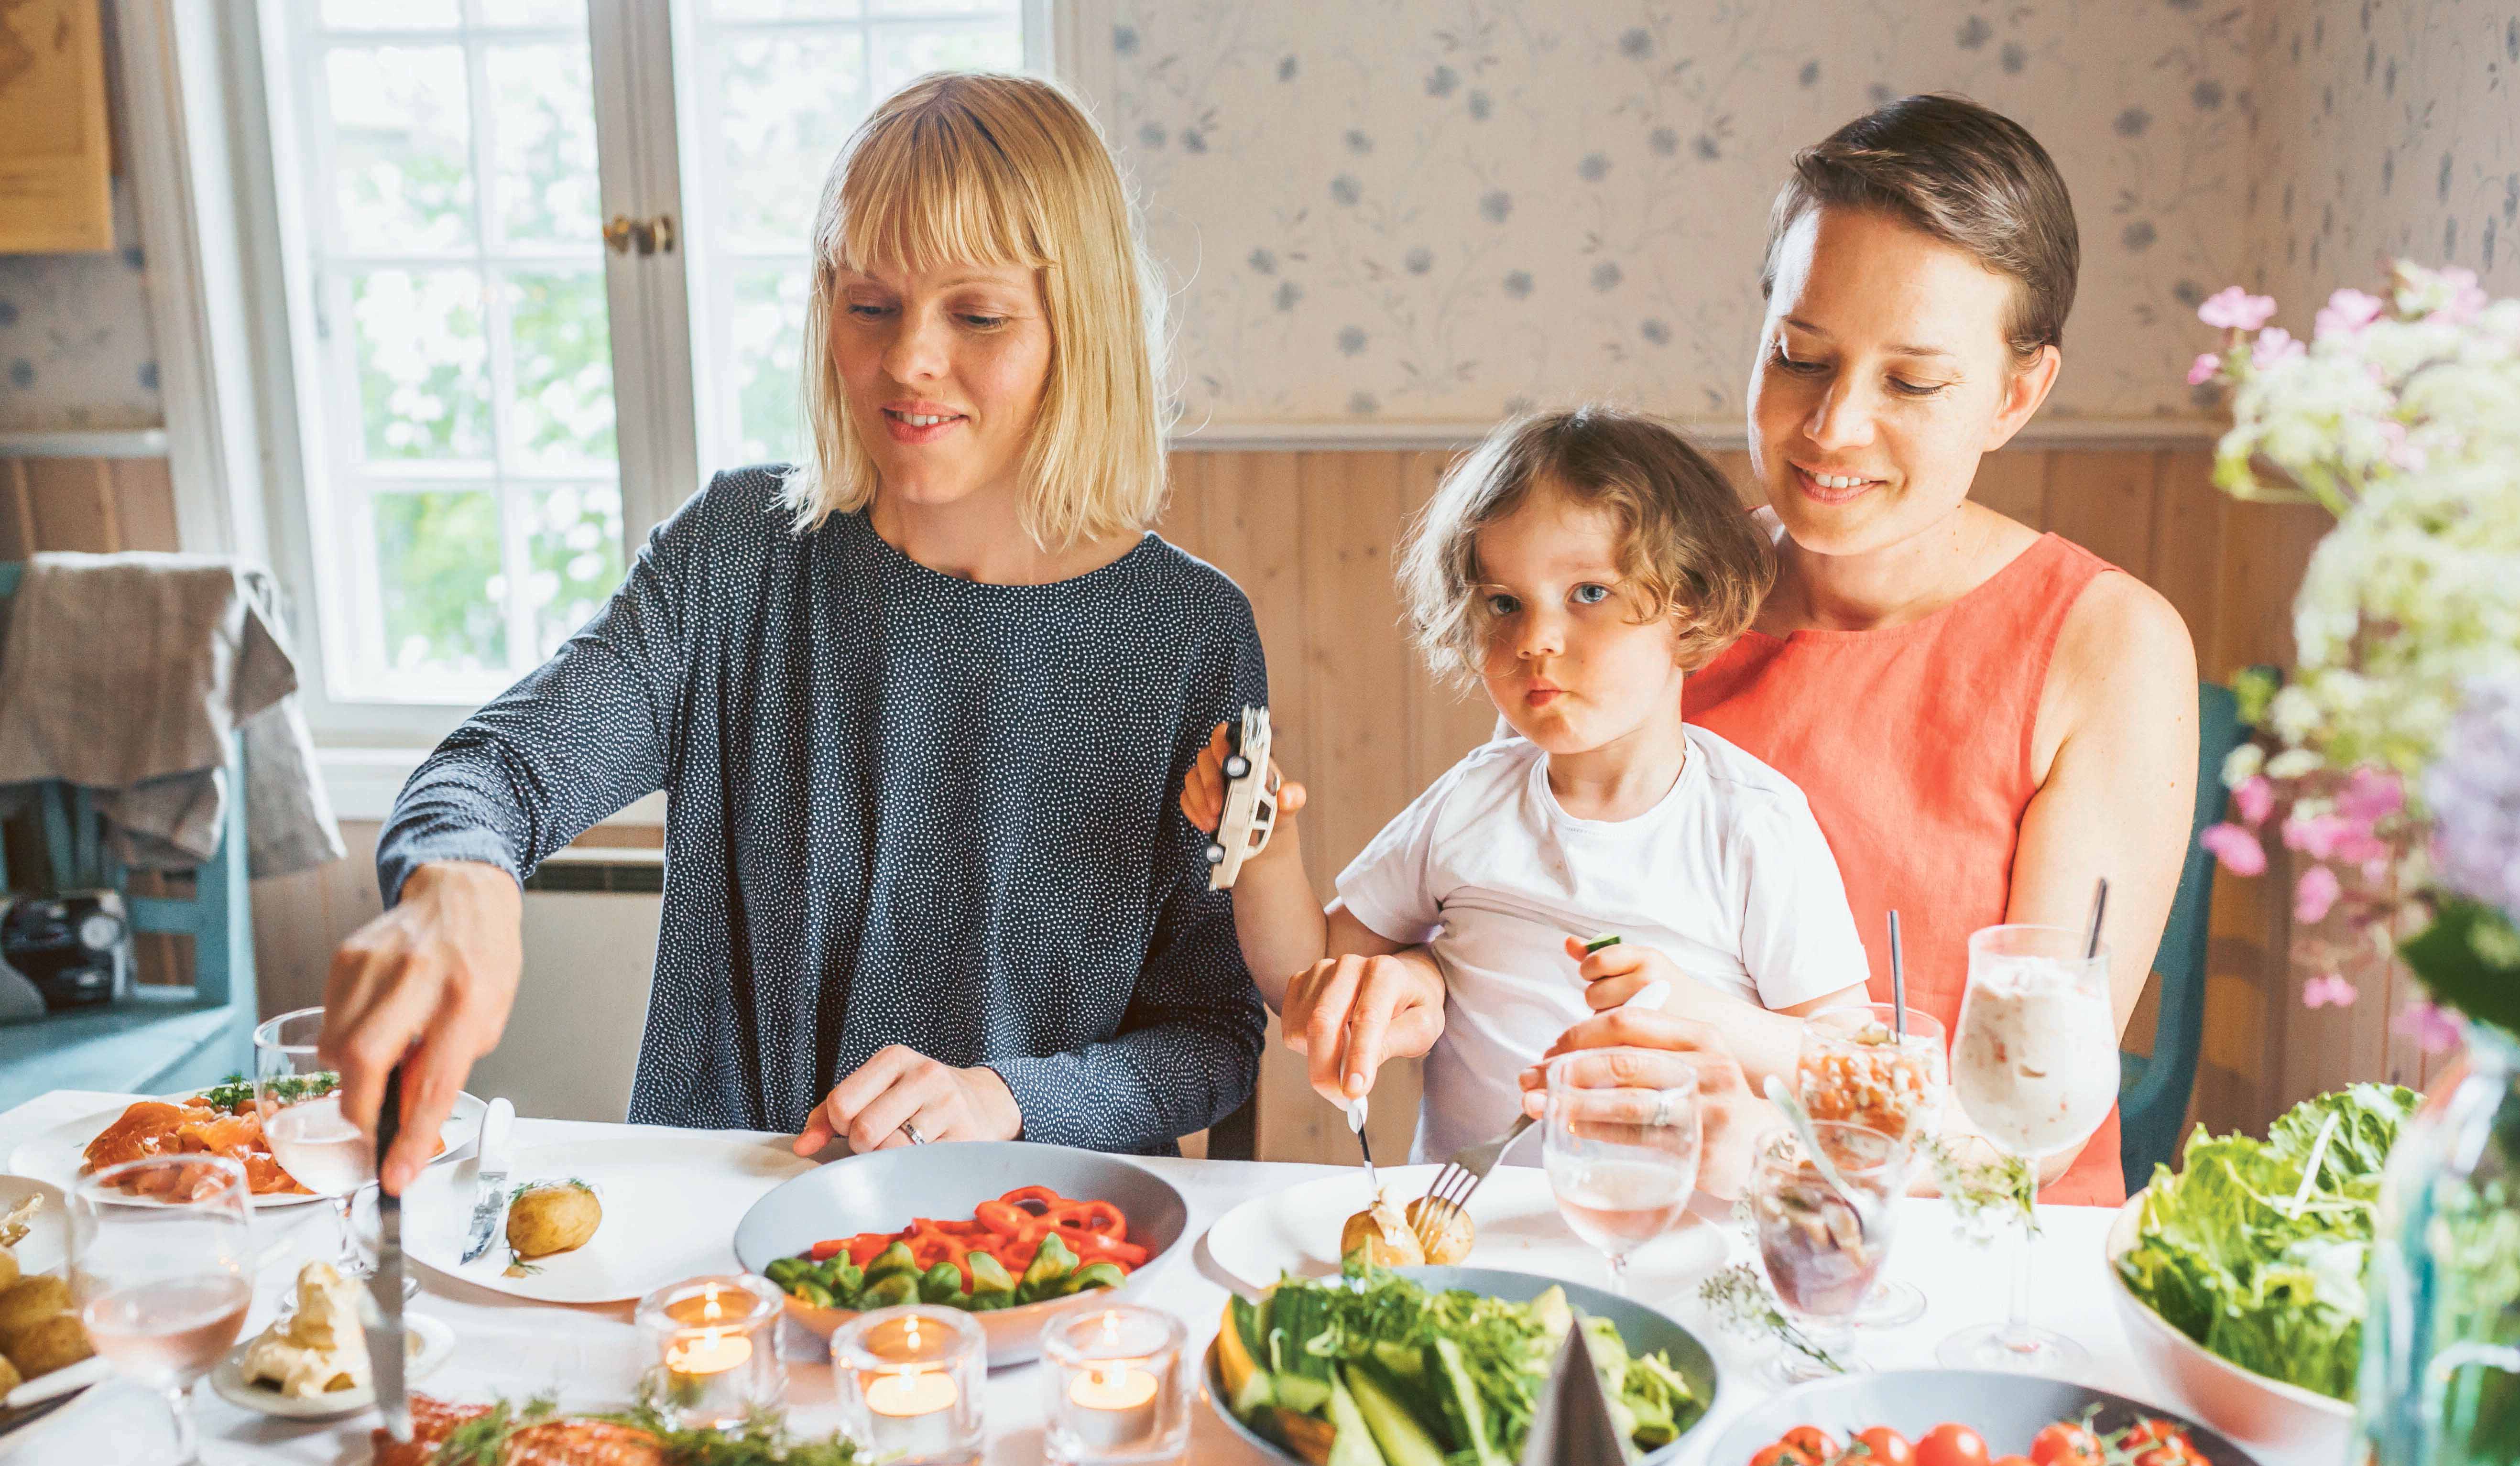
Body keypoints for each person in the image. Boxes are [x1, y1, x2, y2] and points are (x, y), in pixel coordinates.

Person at [323, 72, 1268, 1191]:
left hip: (1035, 1245)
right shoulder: (736, 555)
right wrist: (458, 877)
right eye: (870, 304)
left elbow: (1211, 1036)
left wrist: (1000, 1097)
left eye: (977, 314)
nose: (910, 359)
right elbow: (496, 772)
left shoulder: (1186, 634)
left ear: (1083, 328)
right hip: (720, 1232)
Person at [1536, 96, 2199, 1205]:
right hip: (1654, 1227)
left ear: (2016, 392)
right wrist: (1403, 971)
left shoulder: (2106, 645)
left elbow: (2031, 1125)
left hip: (1978, 1275)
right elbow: (1538, 906)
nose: (1833, 427)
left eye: (1912, 382)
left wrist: (1773, 1149)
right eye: (1800, 356)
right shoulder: (1658, 600)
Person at [1181, 407, 1871, 1175]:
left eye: (1587, 593)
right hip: (1466, 1231)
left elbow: (1852, 1069)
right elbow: (1306, 975)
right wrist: (1267, 855)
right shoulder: (1472, 802)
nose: (1534, 639)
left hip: (1673, 1238)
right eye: (1504, 603)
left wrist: (1698, 1010)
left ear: (1692, 607)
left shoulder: (1752, 823)